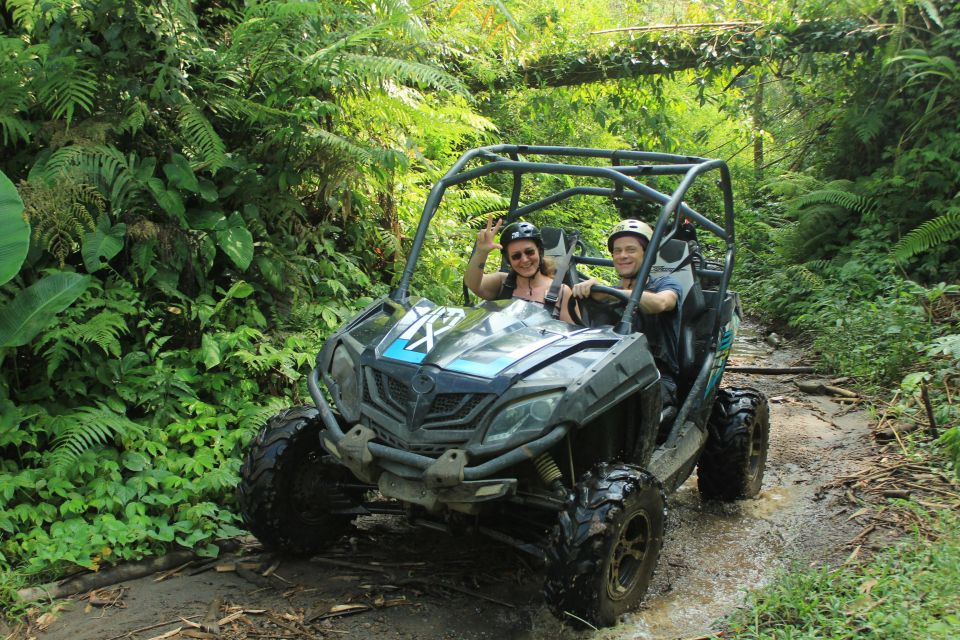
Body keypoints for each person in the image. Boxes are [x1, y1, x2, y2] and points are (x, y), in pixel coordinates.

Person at [571, 219, 683, 408]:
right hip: (606, 372)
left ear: (647, 255)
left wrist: (609, 295)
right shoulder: (607, 292)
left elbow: (662, 303)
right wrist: (589, 293)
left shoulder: (665, 284)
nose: (623, 256)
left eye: (631, 250)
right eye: (617, 250)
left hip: (655, 376)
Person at [465, 214, 576, 324]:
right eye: (516, 256)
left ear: (539, 251)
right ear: (509, 260)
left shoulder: (561, 291)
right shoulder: (502, 283)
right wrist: (481, 253)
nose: (524, 260)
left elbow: (572, 334)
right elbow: (472, 284)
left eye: (529, 252)